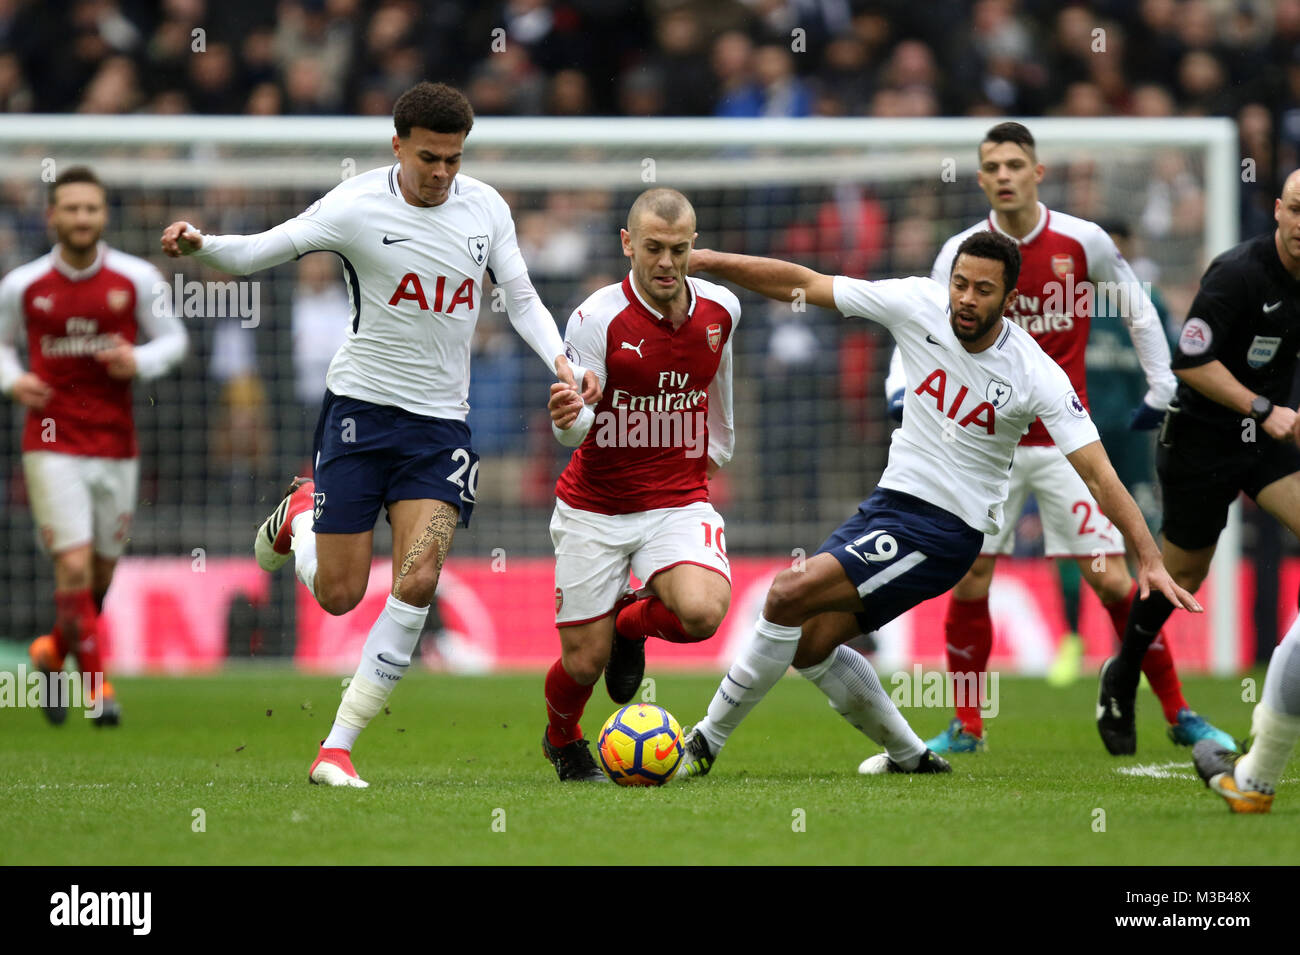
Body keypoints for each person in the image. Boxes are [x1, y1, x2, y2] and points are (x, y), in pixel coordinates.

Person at [161, 81, 597, 787]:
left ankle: (337, 746)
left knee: (420, 576)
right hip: (359, 415)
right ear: (397, 145)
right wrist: (202, 245)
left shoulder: (486, 207)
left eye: (454, 159)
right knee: (338, 592)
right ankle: (300, 516)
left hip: (440, 430)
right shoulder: (355, 205)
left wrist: (565, 363)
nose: (442, 174)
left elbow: (521, 299)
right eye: (429, 158)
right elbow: (257, 253)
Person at [676, 231, 1200, 779]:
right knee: (808, 645)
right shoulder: (916, 303)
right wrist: (709, 260)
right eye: (960, 284)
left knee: (787, 593)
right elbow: (804, 284)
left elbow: (1098, 474)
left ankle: (705, 742)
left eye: (982, 290)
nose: (966, 299)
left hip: (943, 531)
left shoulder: (1035, 371)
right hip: (888, 505)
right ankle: (910, 757)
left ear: (1009, 297)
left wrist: (1149, 556)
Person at [909, 122, 1231, 754]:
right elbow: (921, 321)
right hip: (984, 446)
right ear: (980, 178)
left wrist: (1162, 385)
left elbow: (1137, 305)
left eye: (1014, 164)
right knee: (972, 574)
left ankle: (1178, 711)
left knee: (1112, 580)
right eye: (991, 166)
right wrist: (904, 390)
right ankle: (966, 727)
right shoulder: (960, 251)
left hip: (1062, 440)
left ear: (1037, 173)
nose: (1003, 174)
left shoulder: (1082, 240)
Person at [1099, 170, 1300, 758]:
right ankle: (1120, 677)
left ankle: (1278, 714)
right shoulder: (1239, 272)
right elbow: (1189, 360)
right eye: (1296, 209)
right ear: (1278, 213)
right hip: (1201, 440)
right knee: (1183, 577)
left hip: (1265, 445)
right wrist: (1263, 407)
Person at [541, 188, 737, 782]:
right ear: (628, 243)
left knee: (703, 613)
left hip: (677, 499)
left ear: (693, 246)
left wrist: (719, 449)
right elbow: (573, 427)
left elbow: (718, 383)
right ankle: (562, 739)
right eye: (653, 248)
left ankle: (630, 621)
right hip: (594, 507)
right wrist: (571, 413)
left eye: (678, 249)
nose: (666, 263)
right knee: (583, 663)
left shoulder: (720, 310)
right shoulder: (594, 318)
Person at [0, 166, 188, 725]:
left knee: (101, 576)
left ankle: (50, 653)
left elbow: (174, 340)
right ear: (52, 215)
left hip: (116, 444)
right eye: (71, 209)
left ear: (103, 216)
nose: (81, 218)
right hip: (50, 441)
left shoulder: (134, 278)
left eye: (91, 209)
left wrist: (140, 361)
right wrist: (13, 382)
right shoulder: (22, 286)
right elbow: (2, 348)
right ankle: (98, 691)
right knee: (75, 568)